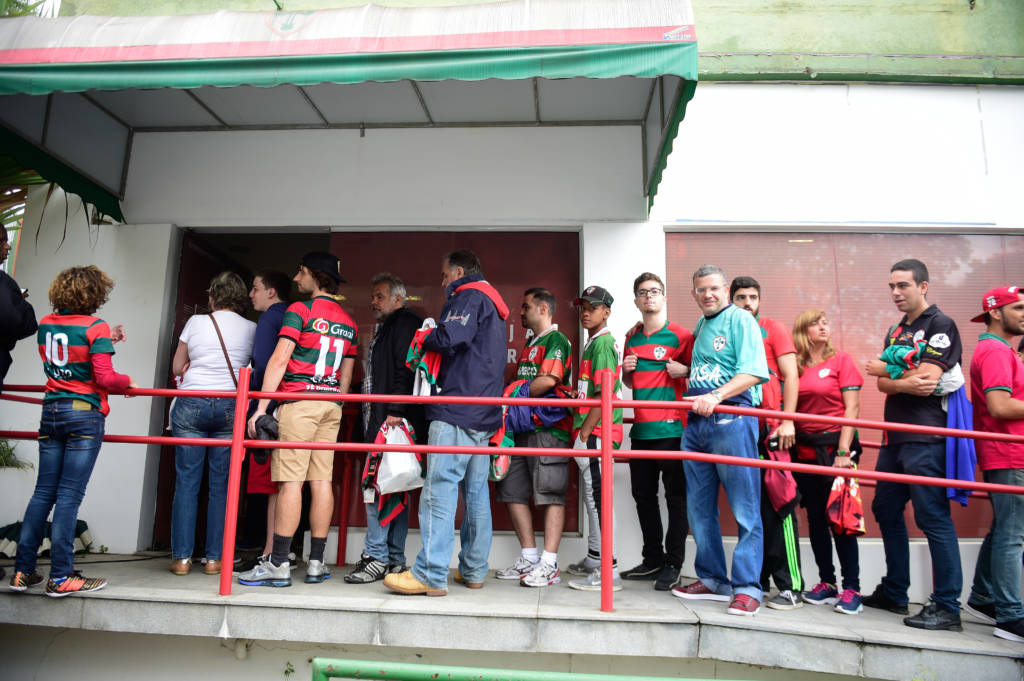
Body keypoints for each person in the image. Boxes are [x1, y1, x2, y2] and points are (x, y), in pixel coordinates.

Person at [384, 249, 508, 596]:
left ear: (459, 272)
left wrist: (425, 335)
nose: (442, 283)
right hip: (483, 413)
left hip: (455, 410)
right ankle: (473, 570)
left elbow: (451, 337)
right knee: (476, 494)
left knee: (438, 490)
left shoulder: (468, 296)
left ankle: (430, 573)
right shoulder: (494, 304)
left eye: (444, 275)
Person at [8, 266, 135, 596]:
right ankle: (62, 576)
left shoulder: (47, 324)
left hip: (51, 411)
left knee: (43, 493)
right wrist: (128, 383)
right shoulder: (95, 327)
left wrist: (108, 340)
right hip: (83, 415)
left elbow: (70, 353)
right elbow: (105, 378)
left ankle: (22, 571)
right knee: (69, 496)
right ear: (94, 295)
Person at [240, 252, 357, 587]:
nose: (296, 278)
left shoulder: (299, 311)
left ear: (316, 275)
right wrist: (333, 402)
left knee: (290, 482)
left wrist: (262, 408)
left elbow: (279, 360)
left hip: (299, 402)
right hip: (330, 404)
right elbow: (345, 377)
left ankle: (278, 563)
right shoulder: (348, 322)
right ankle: (317, 563)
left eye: (301, 272)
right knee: (321, 481)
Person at [863, 258, 963, 631]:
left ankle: (948, 606)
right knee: (885, 508)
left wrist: (889, 372)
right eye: (892, 286)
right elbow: (883, 384)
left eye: (903, 285)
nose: (895, 292)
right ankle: (895, 592)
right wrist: (900, 379)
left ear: (923, 286)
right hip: (894, 437)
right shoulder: (897, 330)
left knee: (932, 516)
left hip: (926, 436)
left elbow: (928, 379)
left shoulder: (941, 324)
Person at [671, 265, 768, 616]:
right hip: (698, 423)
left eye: (714, 288)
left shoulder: (741, 319)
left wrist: (717, 396)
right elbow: (712, 365)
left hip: (732, 418)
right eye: (701, 289)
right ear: (694, 294)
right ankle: (712, 579)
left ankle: (747, 588)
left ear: (726, 290)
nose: (708, 294)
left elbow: (754, 371)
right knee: (698, 508)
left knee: (744, 508)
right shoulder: (701, 324)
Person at [169, 271, 255, 576]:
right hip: (231, 405)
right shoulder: (252, 328)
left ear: (213, 296)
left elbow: (177, 366)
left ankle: (182, 559)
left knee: (187, 483)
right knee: (221, 487)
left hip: (192, 402)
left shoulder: (196, 322)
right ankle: (215, 559)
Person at [730, 276, 804, 610]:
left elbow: (791, 375)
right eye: (741, 297)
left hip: (773, 429)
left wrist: (788, 420)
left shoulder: (773, 328)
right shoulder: (728, 331)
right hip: (741, 428)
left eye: (753, 297)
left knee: (781, 501)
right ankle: (756, 580)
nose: (748, 302)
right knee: (751, 505)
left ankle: (791, 586)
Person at [347, 272, 425, 584]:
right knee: (395, 486)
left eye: (379, 296)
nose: (373, 302)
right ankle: (394, 559)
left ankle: (376, 557)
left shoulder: (404, 323)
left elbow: (406, 368)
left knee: (378, 486)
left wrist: (395, 410)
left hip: (390, 422)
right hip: (382, 419)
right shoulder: (391, 325)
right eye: (373, 296)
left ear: (398, 298)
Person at [620, 272, 693, 591]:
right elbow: (629, 381)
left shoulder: (682, 336)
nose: (648, 296)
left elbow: (702, 376)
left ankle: (674, 564)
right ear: (636, 301)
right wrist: (625, 373)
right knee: (643, 497)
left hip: (673, 430)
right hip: (641, 431)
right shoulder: (632, 337)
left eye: (654, 291)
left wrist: (685, 370)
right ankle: (652, 559)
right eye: (642, 292)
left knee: (677, 499)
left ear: (664, 297)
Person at [496, 288, 573, 587]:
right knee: (511, 490)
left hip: (548, 429)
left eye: (525, 306)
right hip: (520, 427)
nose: (520, 312)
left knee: (551, 492)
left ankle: (549, 564)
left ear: (543, 308)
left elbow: (549, 380)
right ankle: (529, 557)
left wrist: (513, 392)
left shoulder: (557, 340)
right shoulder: (531, 342)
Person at [791, 309, 864, 614]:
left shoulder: (841, 360)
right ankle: (827, 582)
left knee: (841, 520)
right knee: (816, 520)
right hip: (805, 450)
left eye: (825, 322)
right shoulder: (795, 366)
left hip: (837, 449)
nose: (823, 327)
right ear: (802, 330)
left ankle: (852, 589)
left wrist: (844, 452)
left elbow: (852, 408)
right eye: (815, 323)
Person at [964, 286, 1024, 642]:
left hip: (1007, 453)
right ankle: (1011, 616)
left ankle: (983, 597)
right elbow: (1000, 406)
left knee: (1005, 529)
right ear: (996, 312)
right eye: (1018, 308)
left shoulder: (1000, 350)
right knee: (1013, 536)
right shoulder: (996, 351)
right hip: (1009, 453)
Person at [566, 285, 624, 593]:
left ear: (607, 312)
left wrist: (585, 433)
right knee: (593, 498)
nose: (586, 313)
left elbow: (605, 396)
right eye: (583, 307)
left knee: (599, 499)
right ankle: (595, 557)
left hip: (597, 432)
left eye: (593, 308)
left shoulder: (602, 344)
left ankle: (608, 570)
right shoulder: (594, 342)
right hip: (592, 431)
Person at [235, 270, 291, 573]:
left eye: (255, 288)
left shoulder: (270, 317)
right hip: (292, 405)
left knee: (268, 483)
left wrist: (258, 406)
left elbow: (263, 364)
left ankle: (268, 552)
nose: (250, 294)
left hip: (268, 406)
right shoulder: (294, 315)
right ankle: (279, 551)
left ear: (271, 292)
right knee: (285, 481)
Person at [0, 223, 37, 393]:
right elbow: (15, 320)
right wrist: (18, 302)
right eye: (2, 241)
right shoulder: (3, 283)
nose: (8, 247)